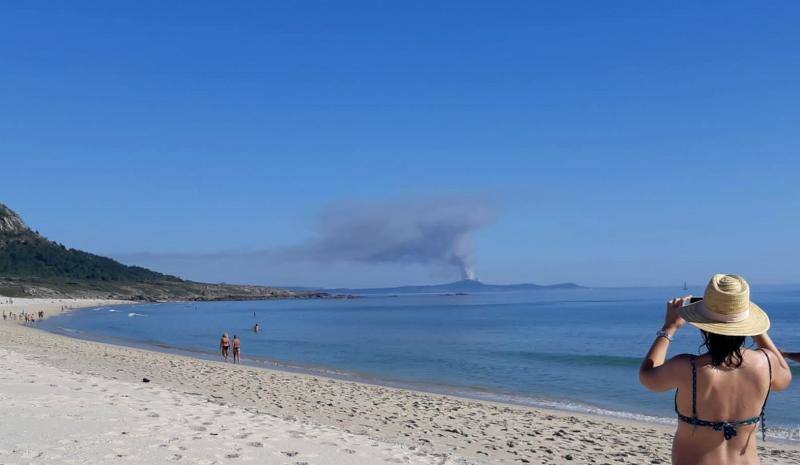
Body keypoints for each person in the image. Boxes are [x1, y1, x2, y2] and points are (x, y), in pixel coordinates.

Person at [640, 274, 792, 465]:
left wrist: (669, 328)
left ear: (704, 327)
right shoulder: (767, 363)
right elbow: (784, 376)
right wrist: (759, 332)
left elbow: (647, 376)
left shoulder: (688, 367)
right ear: (746, 326)